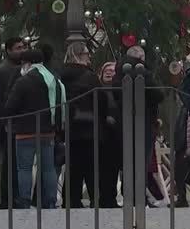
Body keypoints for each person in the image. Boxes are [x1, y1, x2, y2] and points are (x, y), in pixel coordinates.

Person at [4, 50, 65, 209]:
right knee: (48, 168)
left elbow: (10, 106)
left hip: (24, 132)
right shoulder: (53, 80)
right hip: (47, 132)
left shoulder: (23, 81)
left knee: (24, 168)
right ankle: (50, 200)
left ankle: (24, 201)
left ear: (27, 64)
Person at [111, 46, 164, 204]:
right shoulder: (143, 72)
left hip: (123, 124)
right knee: (141, 163)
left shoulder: (119, 72)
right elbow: (158, 95)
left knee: (127, 162)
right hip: (143, 122)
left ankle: (129, 196)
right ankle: (139, 198)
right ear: (141, 57)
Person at [0, 37, 27, 209]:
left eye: (24, 47)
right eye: (18, 48)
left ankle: (9, 199)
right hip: (7, 127)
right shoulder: (9, 71)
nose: (22, 50)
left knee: (10, 164)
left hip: (7, 126)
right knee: (9, 165)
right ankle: (9, 200)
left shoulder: (11, 69)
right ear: (9, 50)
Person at [60, 42, 101, 208]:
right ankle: (94, 198)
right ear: (79, 55)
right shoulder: (90, 77)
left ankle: (71, 200)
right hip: (89, 125)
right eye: (86, 54)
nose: (88, 57)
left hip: (69, 126)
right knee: (91, 166)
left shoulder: (61, 75)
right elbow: (101, 100)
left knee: (72, 166)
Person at [97, 62, 121, 208]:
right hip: (101, 132)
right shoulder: (97, 88)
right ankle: (102, 198)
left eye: (112, 70)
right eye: (106, 70)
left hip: (115, 134)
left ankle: (110, 198)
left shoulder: (118, 89)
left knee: (113, 168)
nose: (109, 72)